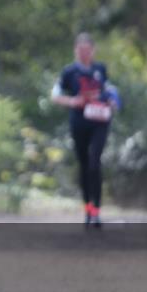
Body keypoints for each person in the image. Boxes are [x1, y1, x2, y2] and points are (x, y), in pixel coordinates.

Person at [51, 33, 119, 228]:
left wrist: (112, 101)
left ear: (93, 50)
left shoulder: (100, 69)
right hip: (79, 122)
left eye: (87, 50)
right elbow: (55, 95)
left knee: (94, 163)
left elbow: (109, 90)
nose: (84, 54)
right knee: (83, 165)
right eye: (80, 50)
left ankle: (96, 211)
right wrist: (72, 101)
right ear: (75, 51)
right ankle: (88, 210)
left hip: (100, 122)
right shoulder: (69, 72)